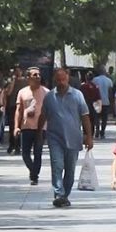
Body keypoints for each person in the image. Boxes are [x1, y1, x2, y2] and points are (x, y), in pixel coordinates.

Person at [38, 68, 93, 208]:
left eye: (63, 79)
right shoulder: (49, 97)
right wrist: (39, 133)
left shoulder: (77, 95)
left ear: (68, 78)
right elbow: (43, 116)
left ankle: (65, 195)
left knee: (70, 169)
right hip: (54, 138)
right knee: (57, 166)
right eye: (58, 79)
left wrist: (89, 137)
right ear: (54, 80)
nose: (61, 82)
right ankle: (59, 193)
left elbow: (85, 116)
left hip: (73, 138)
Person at [13, 67, 49, 186]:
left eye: (39, 75)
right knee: (25, 154)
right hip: (26, 126)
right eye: (34, 75)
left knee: (38, 152)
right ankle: (33, 170)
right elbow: (18, 110)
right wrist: (16, 127)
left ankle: (34, 176)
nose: (37, 77)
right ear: (28, 78)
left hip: (41, 128)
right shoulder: (22, 92)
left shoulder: (47, 92)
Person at [4, 67, 28, 155]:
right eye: (16, 71)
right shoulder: (11, 82)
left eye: (19, 71)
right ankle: (13, 145)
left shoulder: (26, 82)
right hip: (13, 106)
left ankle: (18, 146)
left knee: (20, 127)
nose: (17, 73)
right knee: (13, 127)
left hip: (22, 106)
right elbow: (8, 93)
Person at [92, 68, 114, 138]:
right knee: (104, 118)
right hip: (106, 102)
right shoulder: (109, 81)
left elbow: (93, 90)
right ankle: (102, 132)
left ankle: (97, 131)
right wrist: (111, 101)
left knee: (97, 117)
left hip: (97, 101)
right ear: (105, 72)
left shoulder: (95, 80)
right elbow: (110, 92)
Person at [79, 72, 101, 139]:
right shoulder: (96, 86)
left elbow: (80, 96)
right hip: (93, 105)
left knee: (85, 118)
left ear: (86, 78)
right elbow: (98, 97)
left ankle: (86, 133)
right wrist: (99, 106)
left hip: (85, 104)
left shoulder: (83, 86)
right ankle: (91, 133)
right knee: (92, 119)